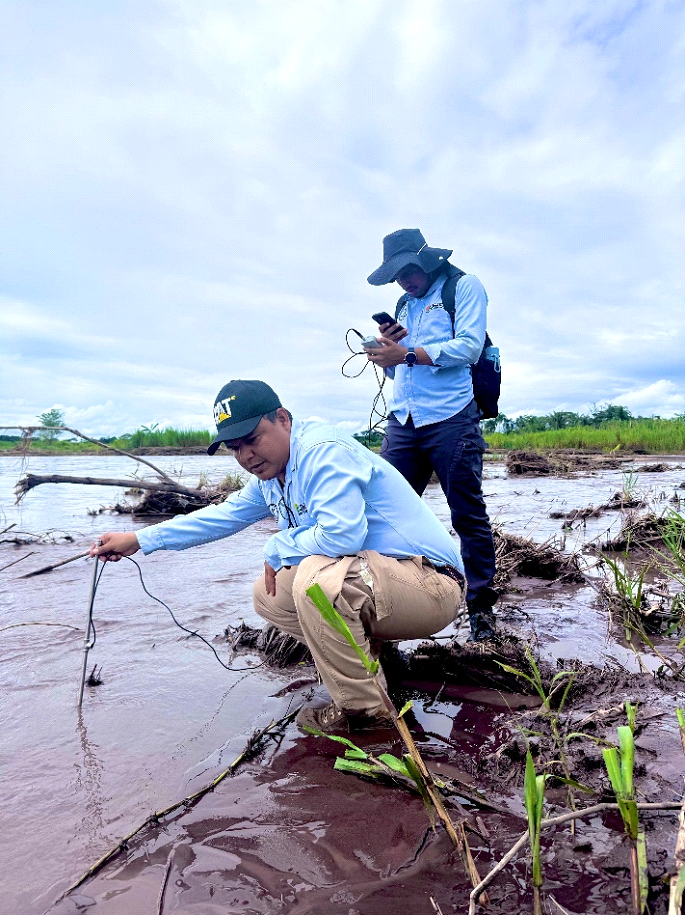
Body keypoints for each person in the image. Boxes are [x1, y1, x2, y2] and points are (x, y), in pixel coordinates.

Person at [91, 379, 466, 735]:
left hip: (433, 585)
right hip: (389, 585)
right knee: (269, 594)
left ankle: (367, 714)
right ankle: (380, 665)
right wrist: (139, 538)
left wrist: (276, 546)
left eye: (252, 440)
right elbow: (221, 516)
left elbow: (343, 534)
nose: (246, 456)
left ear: (283, 419)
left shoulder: (322, 452)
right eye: (234, 448)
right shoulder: (273, 475)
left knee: (317, 580)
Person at [366, 228, 498, 641]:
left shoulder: (464, 287)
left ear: (427, 260)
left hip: (451, 418)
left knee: (467, 513)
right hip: (403, 420)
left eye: (407, 271)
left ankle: (480, 608)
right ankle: (386, 604)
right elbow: (396, 369)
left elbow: (469, 348)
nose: (403, 281)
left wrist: (406, 353)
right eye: (395, 276)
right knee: (383, 511)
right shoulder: (404, 304)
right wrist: (386, 352)